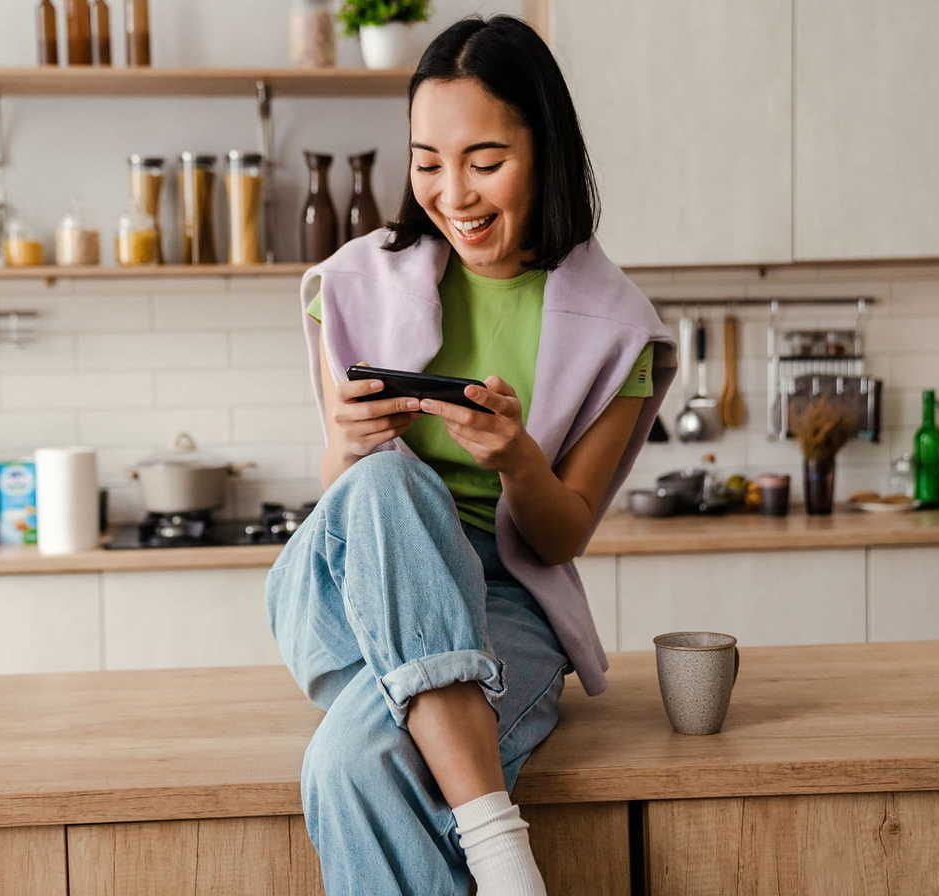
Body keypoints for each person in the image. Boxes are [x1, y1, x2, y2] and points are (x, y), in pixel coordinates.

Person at [265, 14, 676, 896]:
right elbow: (341, 497)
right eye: (428, 163)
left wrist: (517, 458)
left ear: (548, 150)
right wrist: (346, 442)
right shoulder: (348, 285)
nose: (454, 193)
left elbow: (560, 537)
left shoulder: (617, 330)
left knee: (354, 764)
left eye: (485, 162)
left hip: (502, 598)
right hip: (353, 590)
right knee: (384, 483)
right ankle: (499, 844)